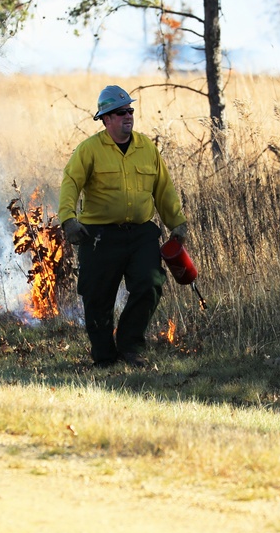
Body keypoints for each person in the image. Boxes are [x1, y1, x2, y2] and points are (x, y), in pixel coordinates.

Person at [58, 85, 188, 367]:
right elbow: (70, 183)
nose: (127, 116)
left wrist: (177, 223)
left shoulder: (146, 148)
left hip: (141, 234)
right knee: (97, 297)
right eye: (120, 112)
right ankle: (105, 357)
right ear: (106, 119)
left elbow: (163, 189)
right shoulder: (90, 149)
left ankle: (130, 347)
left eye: (130, 110)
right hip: (100, 237)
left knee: (150, 284)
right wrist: (68, 219)